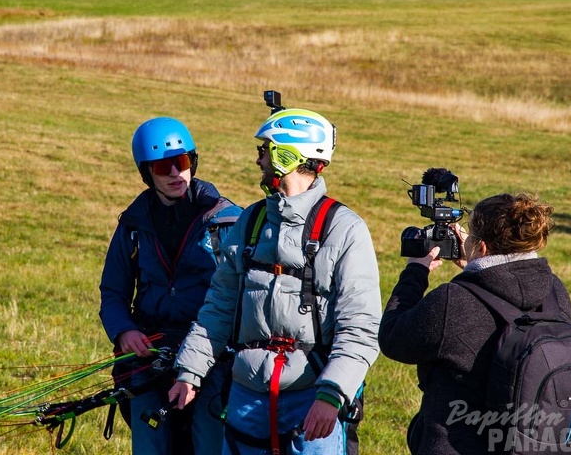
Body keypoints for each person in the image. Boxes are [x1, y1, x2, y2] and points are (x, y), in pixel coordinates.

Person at [168, 107, 381, 455]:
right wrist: (190, 371)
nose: (258, 160)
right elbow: (219, 306)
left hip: (313, 401)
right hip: (246, 400)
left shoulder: (345, 230)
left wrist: (332, 395)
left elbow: (361, 327)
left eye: (264, 150)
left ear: (287, 155)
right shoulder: (250, 221)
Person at [378, 193, 571, 455]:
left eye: (469, 236)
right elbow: (506, 300)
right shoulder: (554, 290)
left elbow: (393, 339)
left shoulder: (454, 300)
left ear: (481, 247)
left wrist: (415, 271)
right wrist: (475, 270)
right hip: (531, 444)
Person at [99, 116, 241, 455]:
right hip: (149, 356)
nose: (176, 174)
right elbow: (113, 293)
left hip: (210, 356)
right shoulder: (133, 225)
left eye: (183, 162)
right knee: (151, 445)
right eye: (165, 167)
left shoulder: (227, 221)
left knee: (209, 444)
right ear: (147, 173)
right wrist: (123, 332)